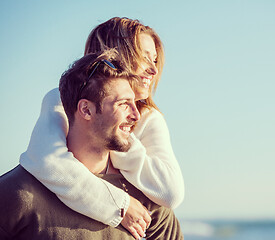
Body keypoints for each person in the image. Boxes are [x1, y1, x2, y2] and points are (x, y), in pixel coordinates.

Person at [19, 17, 184, 238]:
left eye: (155, 60)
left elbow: (170, 193)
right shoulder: (61, 99)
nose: (154, 70)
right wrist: (120, 206)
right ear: (113, 54)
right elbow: (47, 160)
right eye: (145, 58)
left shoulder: (149, 118)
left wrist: (119, 140)